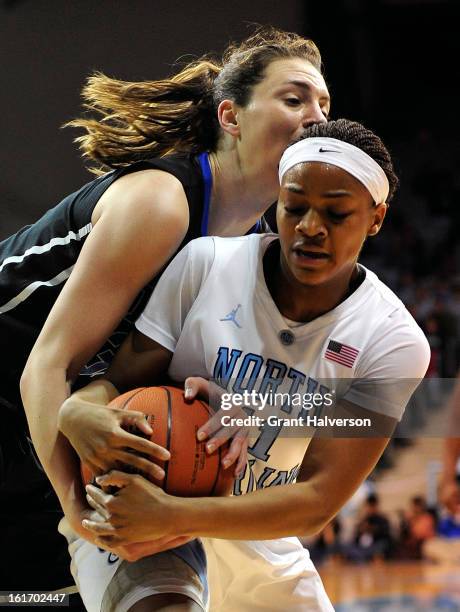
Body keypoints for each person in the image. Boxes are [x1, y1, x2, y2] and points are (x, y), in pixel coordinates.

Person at [3, 26, 330, 593]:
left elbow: (160, 372)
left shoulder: (249, 252)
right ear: (231, 117)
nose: (318, 117)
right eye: (295, 98)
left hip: (40, 413)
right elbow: (46, 365)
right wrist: (75, 514)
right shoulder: (160, 202)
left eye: (325, 105)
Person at [62, 119, 430, 611]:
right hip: (146, 502)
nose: (309, 228)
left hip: (256, 527)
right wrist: (78, 410)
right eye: (294, 206)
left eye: (336, 213)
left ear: (376, 217)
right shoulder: (206, 263)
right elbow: (113, 387)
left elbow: (317, 501)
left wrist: (178, 513)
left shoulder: (392, 340)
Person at [345, 493, 392, 562]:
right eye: (369, 506)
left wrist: (372, 530)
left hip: (376, 545)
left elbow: (386, 536)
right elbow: (356, 537)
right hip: (362, 547)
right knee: (348, 547)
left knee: (381, 546)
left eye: (372, 506)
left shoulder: (382, 520)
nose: (370, 509)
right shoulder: (363, 520)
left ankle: (366, 557)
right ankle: (362, 558)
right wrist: (362, 530)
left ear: (376, 506)